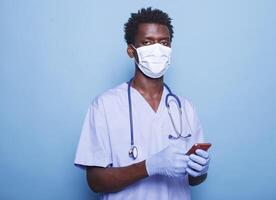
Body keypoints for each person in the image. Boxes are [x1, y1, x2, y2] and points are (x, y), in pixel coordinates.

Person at [74, 7, 211, 200]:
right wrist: (149, 166)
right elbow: (95, 181)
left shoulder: (185, 108)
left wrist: (201, 171)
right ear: (131, 51)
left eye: (164, 43)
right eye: (147, 42)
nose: (157, 50)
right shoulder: (105, 106)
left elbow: (193, 180)